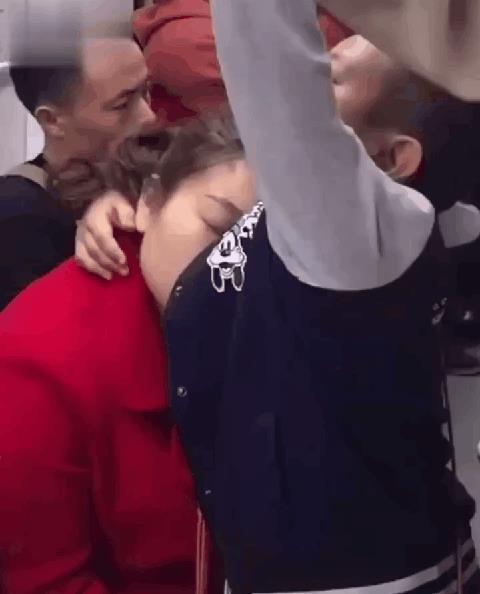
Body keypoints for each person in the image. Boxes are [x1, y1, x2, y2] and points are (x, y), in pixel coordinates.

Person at [76, 2, 480, 593]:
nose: (317, 65)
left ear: (394, 157)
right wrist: (137, 198)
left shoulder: (350, 238)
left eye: (330, 77)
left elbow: (269, 57)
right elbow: (226, 186)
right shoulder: (347, 230)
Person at [0, 115, 248, 594]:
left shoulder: (287, 322)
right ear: (149, 201)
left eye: (275, 252)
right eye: (218, 230)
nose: (237, 270)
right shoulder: (38, 362)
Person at [0, 33, 155, 310]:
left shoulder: (161, 160)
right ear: (52, 121)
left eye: (147, 91)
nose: (149, 116)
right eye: (122, 105)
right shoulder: (19, 216)